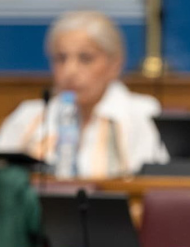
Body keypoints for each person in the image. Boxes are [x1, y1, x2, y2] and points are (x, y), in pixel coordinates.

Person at [0, 10, 167, 178]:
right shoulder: (28, 117)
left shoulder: (143, 115)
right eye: (61, 58)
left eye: (85, 59)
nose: (70, 71)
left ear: (115, 63)